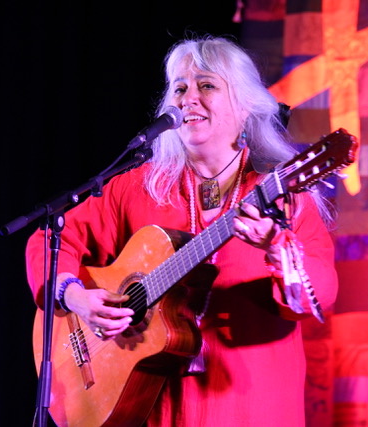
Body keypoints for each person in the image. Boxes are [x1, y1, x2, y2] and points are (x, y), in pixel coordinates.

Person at [26, 35, 339, 427]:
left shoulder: (283, 198)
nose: (188, 98)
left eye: (206, 85)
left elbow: (318, 295)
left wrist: (278, 247)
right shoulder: (139, 186)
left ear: (244, 107)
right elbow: (53, 237)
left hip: (249, 405)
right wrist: (76, 297)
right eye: (179, 88)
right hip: (153, 407)